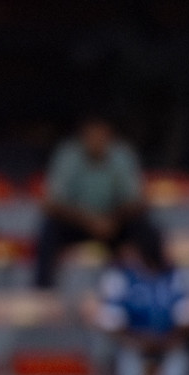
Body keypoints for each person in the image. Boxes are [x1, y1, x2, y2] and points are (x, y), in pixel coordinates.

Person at [35, 116, 157, 289]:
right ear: (82, 137)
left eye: (101, 136)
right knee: (49, 228)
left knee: (146, 228)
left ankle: (159, 283)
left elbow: (138, 201)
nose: (96, 141)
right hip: (77, 223)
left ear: (110, 136)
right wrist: (90, 221)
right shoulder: (68, 155)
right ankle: (42, 289)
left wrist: (111, 220)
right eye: (91, 136)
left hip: (114, 223)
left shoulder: (122, 154)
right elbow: (51, 203)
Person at [97, 234, 189, 375]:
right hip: (132, 342)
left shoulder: (178, 275)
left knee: (180, 357)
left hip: (170, 342)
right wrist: (140, 341)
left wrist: (167, 342)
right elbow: (111, 322)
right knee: (125, 358)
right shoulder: (120, 277)